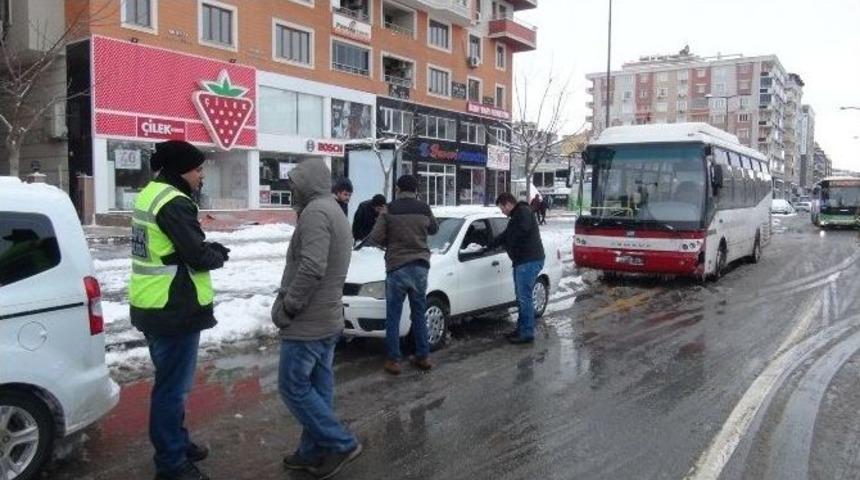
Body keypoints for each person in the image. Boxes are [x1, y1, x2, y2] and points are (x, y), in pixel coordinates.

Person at [129, 140, 230, 480]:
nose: (202, 175)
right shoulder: (174, 202)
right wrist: (217, 253)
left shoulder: (151, 193)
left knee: (169, 384)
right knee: (172, 389)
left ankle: (177, 441)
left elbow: (172, 247)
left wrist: (204, 246)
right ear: (181, 170)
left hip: (152, 303)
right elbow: (197, 255)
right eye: (199, 169)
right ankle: (172, 463)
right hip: (173, 308)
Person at [271, 159, 362, 479]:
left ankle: (340, 443)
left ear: (308, 182)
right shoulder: (333, 210)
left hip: (308, 321)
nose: (291, 188)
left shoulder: (315, 214)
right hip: (326, 317)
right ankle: (311, 452)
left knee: (292, 386)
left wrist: (288, 307)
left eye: (295, 182)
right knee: (318, 388)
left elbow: (311, 267)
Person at [370, 175, 438, 375]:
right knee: (419, 312)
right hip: (420, 267)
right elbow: (434, 229)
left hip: (397, 267)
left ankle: (393, 360)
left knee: (393, 315)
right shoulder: (424, 208)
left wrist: (389, 242)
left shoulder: (389, 209)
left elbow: (375, 237)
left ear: (398, 189)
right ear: (416, 189)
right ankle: (423, 356)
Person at [491, 192, 545, 344]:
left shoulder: (523, 212)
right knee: (521, 298)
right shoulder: (517, 216)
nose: (503, 212)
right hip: (523, 261)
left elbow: (520, 232)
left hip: (528, 260)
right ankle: (521, 329)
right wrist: (490, 244)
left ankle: (527, 333)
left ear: (508, 204)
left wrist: (509, 243)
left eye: (502, 208)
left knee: (524, 298)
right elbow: (506, 235)